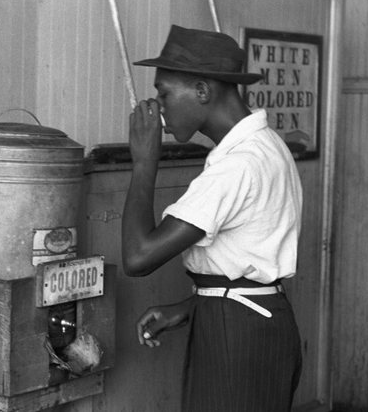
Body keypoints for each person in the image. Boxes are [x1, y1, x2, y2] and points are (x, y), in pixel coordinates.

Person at [122, 25, 303, 411]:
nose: (159, 106)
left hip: (237, 334)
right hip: (249, 318)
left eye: (164, 93)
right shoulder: (263, 146)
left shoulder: (239, 165)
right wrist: (190, 308)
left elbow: (138, 257)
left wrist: (143, 163)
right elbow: (248, 262)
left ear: (203, 91)